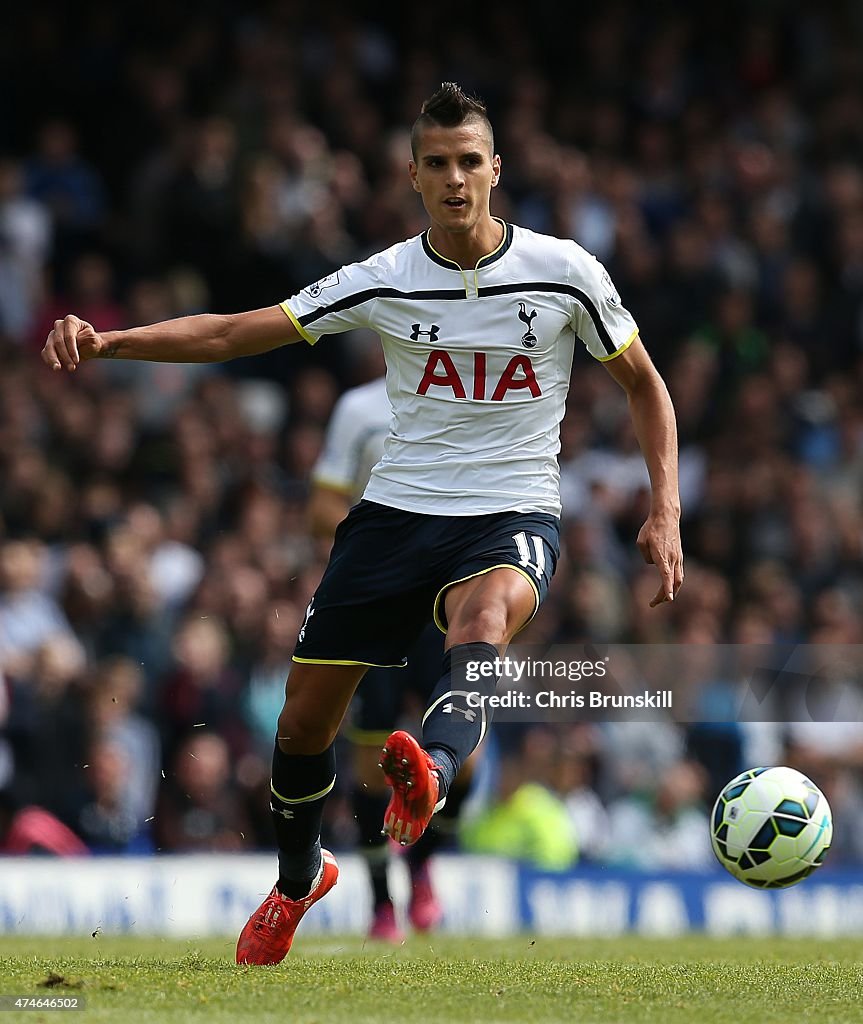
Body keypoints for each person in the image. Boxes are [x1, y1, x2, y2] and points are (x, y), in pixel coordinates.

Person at [42, 83, 684, 965]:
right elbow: (236, 332)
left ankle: (428, 781)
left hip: (508, 509)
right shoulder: (385, 276)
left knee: (487, 619)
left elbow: (644, 383)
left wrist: (665, 507)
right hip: (393, 519)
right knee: (303, 727)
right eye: (437, 164)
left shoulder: (564, 270)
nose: (455, 179)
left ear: (496, 170)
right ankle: (299, 881)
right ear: (412, 176)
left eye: (470, 162)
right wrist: (113, 342)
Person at [308, 370, 472, 941]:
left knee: (464, 754)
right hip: (381, 601)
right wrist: (379, 553)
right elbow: (324, 503)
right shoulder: (359, 409)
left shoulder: (475, 393)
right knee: (371, 758)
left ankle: (424, 866)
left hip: (449, 600)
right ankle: (381, 903)